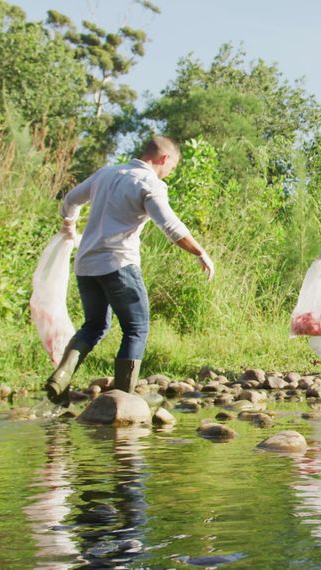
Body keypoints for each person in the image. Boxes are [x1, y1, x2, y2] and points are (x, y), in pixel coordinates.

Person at [43, 135, 214, 404]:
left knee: (94, 325)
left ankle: (60, 378)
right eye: (171, 167)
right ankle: (123, 401)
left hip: (86, 265)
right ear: (164, 159)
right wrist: (200, 252)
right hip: (118, 265)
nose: (169, 172)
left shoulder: (107, 173)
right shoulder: (149, 183)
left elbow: (71, 200)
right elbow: (170, 226)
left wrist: (70, 222)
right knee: (136, 328)